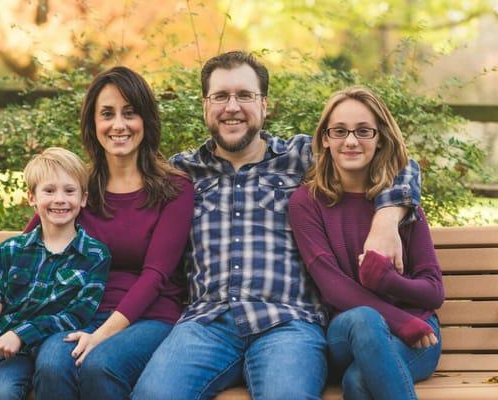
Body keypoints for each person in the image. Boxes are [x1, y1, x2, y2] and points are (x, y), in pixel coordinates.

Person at [132, 51, 422, 400]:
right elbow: (114, 190)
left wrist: (387, 217)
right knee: (153, 394)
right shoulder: (182, 173)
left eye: (245, 95)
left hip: (287, 324)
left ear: (265, 105)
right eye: (220, 96)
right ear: (206, 106)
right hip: (206, 324)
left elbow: (396, 160)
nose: (232, 106)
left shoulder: (301, 158)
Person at [0, 66, 194, 399]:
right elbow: (21, 258)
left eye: (129, 113)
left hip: (149, 318)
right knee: (52, 362)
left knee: (98, 363)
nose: (119, 125)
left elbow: (155, 276)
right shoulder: (77, 190)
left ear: (146, 120)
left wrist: (102, 334)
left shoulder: (174, 188)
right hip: (77, 313)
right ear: (93, 124)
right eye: (107, 114)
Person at [288, 86, 444, 400]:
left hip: (419, 336)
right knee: (365, 319)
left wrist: (388, 280)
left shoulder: (401, 203)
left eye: (363, 131)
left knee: (359, 383)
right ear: (326, 139)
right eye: (340, 131)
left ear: (379, 138)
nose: (351, 141)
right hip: (347, 332)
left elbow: (434, 291)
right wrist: (400, 320)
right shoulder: (307, 203)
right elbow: (333, 288)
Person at [0, 147, 111, 400]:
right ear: (31, 198)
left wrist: (20, 334)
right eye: (49, 191)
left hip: (21, 354)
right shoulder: (11, 250)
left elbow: (75, 316)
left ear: (83, 198)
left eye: (69, 191)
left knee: (3, 394)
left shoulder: (94, 256)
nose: (60, 199)